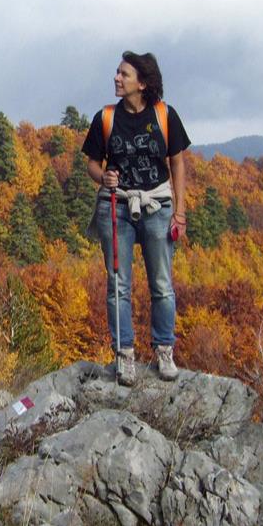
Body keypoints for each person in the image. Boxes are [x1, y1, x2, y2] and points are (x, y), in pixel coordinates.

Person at [81, 51, 191, 386]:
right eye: (117, 73)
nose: (116, 78)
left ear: (142, 83)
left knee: (161, 284)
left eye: (124, 74)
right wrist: (103, 178)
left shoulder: (164, 115)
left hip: (157, 204)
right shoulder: (106, 117)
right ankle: (125, 355)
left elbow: (178, 164)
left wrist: (181, 212)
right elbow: (92, 164)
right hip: (115, 206)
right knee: (119, 285)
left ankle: (164, 350)